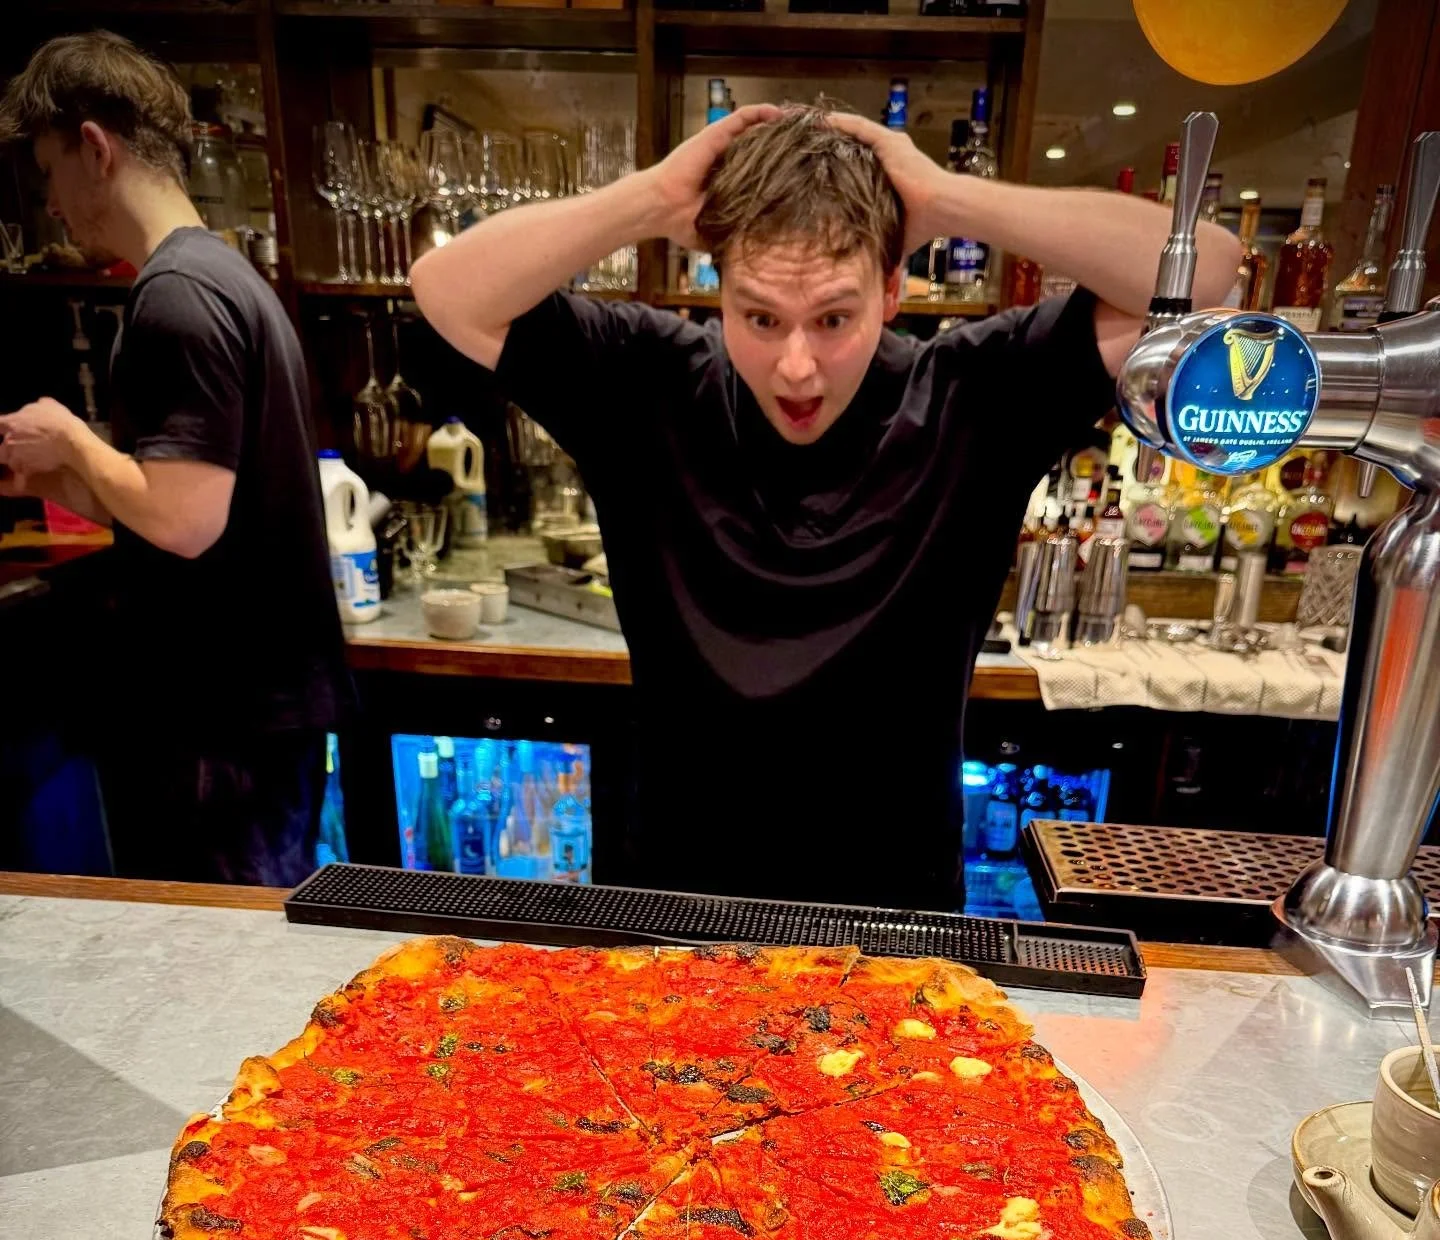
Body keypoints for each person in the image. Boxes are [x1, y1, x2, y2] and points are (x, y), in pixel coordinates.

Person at [413, 104, 1240, 910]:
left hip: (896, 921)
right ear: (718, 286)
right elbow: (446, 286)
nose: (796, 368)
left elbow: (1203, 272)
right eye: (760, 317)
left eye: (834, 318)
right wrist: (653, 199)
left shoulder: (971, 395)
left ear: (892, 287)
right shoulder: (647, 384)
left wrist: (946, 198)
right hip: (676, 909)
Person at [0, 31, 348, 886]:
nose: (51, 203)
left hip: (219, 715)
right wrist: (61, 474)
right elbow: (193, 498)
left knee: (219, 965)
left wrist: (73, 437)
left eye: (49, 170)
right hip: (258, 706)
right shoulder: (223, 277)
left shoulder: (175, 296)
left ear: (94, 147)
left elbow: (186, 521)